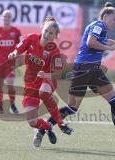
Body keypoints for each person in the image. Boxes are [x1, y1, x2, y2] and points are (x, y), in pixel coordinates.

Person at [34, 2, 115, 148]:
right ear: (106, 16)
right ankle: (42, 128)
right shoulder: (99, 25)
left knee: (110, 102)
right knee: (77, 107)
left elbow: (103, 40)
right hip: (85, 68)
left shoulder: (100, 28)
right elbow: (91, 42)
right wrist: (111, 47)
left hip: (89, 69)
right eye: (114, 18)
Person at [8, 16, 73, 147]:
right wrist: (14, 53)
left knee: (43, 92)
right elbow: (19, 48)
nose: (48, 34)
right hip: (30, 83)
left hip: (47, 79)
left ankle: (61, 123)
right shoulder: (31, 38)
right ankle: (47, 127)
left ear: (55, 36)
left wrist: (46, 74)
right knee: (32, 121)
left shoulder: (54, 50)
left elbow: (58, 73)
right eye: (46, 31)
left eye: (51, 33)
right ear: (42, 28)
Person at [0, 10, 21, 114]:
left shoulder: (16, 31)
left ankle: (12, 104)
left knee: (10, 84)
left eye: (8, 16)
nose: (6, 18)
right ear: (2, 18)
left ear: (11, 18)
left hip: (10, 62)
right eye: (4, 16)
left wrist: (19, 59)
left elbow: (21, 45)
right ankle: (0, 106)